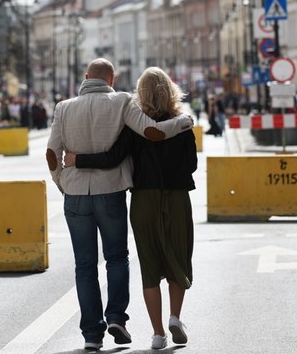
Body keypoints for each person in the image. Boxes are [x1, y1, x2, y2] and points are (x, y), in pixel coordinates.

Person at [46, 58, 193, 351]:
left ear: (86, 76)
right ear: (112, 80)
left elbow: (52, 153)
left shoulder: (63, 107)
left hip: (75, 195)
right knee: (116, 258)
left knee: (84, 265)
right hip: (110, 191)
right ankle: (116, 319)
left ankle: (91, 334)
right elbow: (152, 131)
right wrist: (184, 121)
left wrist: (63, 182)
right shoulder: (122, 102)